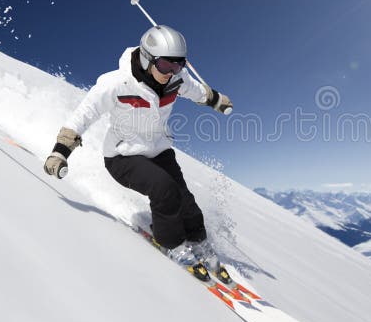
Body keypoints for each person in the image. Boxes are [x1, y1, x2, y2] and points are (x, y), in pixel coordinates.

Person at [43, 25, 232, 272]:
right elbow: (84, 115)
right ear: (147, 58)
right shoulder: (116, 84)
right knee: (164, 189)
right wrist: (61, 151)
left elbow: (196, 90)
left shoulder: (176, 79)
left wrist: (216, 100)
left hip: (159, 150)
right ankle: (171, 243)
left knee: (185, 199)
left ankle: (198, 240)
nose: (171, 72)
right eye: (165, 65)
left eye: (178, 65)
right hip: (123, 156)